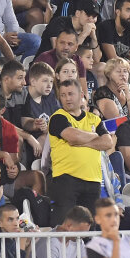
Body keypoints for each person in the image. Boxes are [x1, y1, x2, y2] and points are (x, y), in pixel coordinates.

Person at [48, 79, 114, 223]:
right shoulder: (58, 117)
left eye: (70, 94)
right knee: (66, 227)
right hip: (66, 179)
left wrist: (85, 142)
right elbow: (73, 137)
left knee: (90, 229)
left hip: (93, 180)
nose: (67, 98)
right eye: (63, 95)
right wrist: (95, 136)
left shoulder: (94, 119)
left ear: (81, 94)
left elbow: (108, 142)